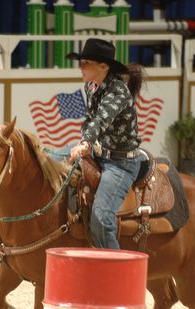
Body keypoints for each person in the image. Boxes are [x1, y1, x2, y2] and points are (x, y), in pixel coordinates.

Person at [67, 38, 144, 250]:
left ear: (103, 66)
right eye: (80, 62)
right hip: (99, 156)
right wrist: (86, 142)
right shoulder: (91, 86)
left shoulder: (118, 92)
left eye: (85, 63)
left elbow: (100, 120)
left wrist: (85, 143)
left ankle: (118, 271)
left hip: (120, 164)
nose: (80, 67)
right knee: (51, 160)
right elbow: (89, 120)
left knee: (101, 219)